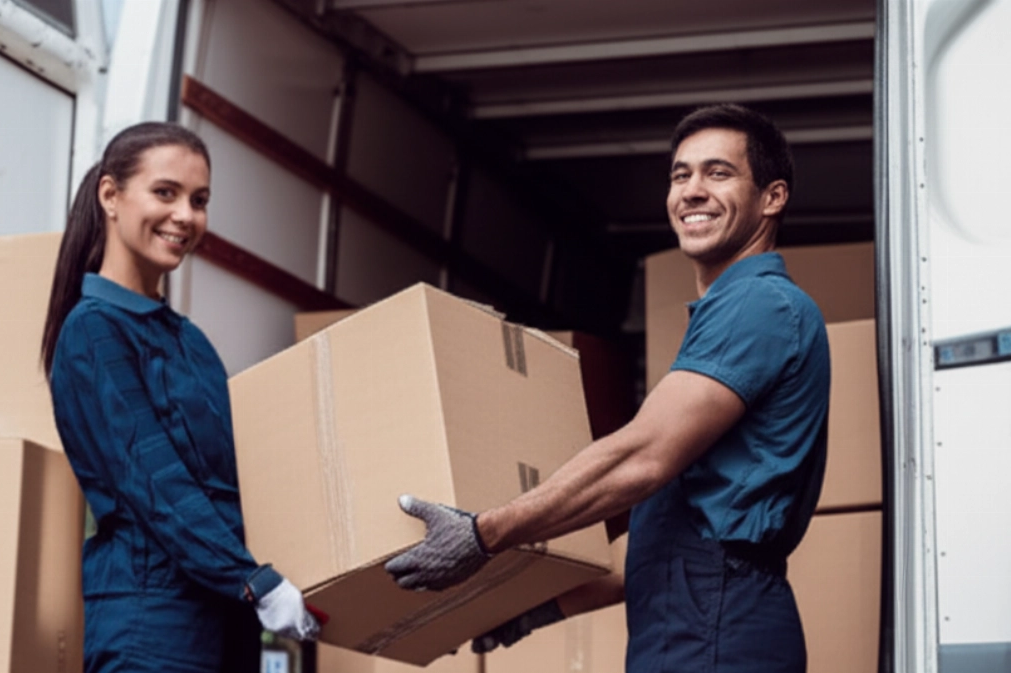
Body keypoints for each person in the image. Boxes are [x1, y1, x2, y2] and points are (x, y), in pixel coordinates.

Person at [385, 104, 830, 673]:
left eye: (718, 173)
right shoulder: (733, 313)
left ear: (773, 197)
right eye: (680, 175)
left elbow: (643, 457)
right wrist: (533, 610)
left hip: (716, 634)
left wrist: (481, 534)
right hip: (691, 628)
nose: (692, 190)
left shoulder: (760, 303)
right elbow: (663, 541)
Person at [41, 121, 319, 673]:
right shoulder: (94, 331)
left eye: (200, 200)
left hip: (226, 624)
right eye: (165, 193)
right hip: (152, 627)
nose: (185, 216)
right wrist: (254, 579)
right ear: (111, 196)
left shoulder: (190, 342)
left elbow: (240, 481)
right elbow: (155, 482)